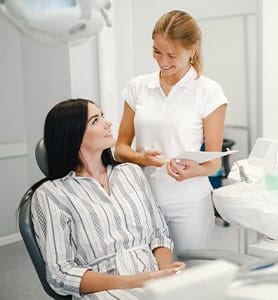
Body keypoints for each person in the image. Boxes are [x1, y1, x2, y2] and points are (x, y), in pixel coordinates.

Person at [29, 99, 185, 299]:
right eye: (95, 120)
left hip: (154, 280)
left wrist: (168, 273)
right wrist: (134, 281)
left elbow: (158, 234)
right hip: (105, 289)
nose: (107, 122)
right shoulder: (51, 194)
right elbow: (60, 273)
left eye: (102, 115)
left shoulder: (131, 173)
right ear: (72, 135)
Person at [115, 10, 228, 253]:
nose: (163, 61)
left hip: (189, 205)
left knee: (189, 276)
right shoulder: (138, 87)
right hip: (142, 201)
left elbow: (214, 164)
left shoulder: (209, 92)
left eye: (172, 55)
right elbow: (120, 149)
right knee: (149, 277)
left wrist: (194, 170)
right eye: (157, 51)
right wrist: (141, 158)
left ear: (193, 49)